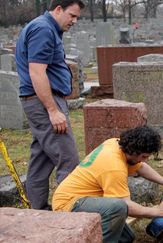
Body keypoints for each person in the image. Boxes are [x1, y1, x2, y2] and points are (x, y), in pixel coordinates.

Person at [53, 126, 163, 242]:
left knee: (126, 238)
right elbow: (126, 206)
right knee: (118, 207)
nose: (146, 160)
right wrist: (155, 211)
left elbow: (140, 166)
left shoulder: (116, 143)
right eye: (144, 156)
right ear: (133, 151)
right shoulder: (114, 167)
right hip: (68, 204)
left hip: (82, 197)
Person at [15, 0, 85, 210]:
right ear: (57, 9)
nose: (74, 21)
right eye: (72, 15)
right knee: (68, 160)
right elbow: (37, 71)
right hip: (44, 102)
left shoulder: (44, 27)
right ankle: (67, 216)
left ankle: (38, 214)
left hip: (40, 101)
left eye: (77, 17)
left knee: (41, 160)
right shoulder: (43, 29)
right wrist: (53, 110)